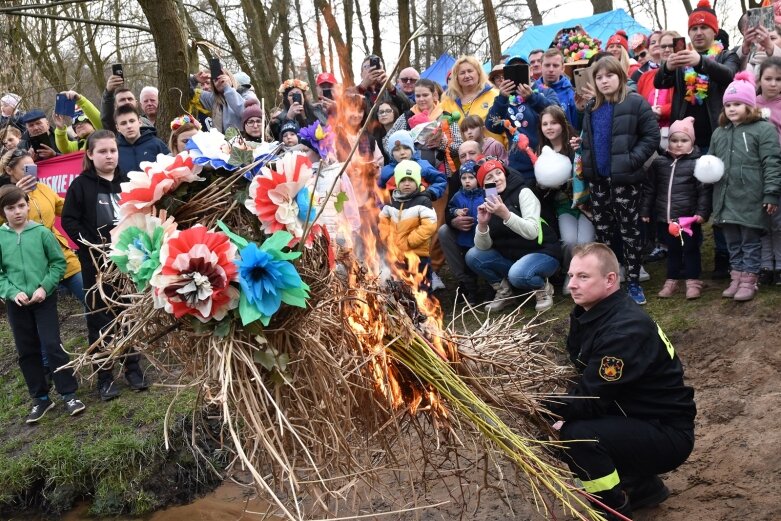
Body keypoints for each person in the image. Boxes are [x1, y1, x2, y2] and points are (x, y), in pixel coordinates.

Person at [550, 242, 696, 521]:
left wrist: (538, 406)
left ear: (610, 280)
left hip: (666, 433)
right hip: (636, 415)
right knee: (561, 426)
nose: (572, 285)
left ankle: (612, 511)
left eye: (583, 277)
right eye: (571, 276)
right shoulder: (591, 313)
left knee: (577, 436)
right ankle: (642, 487)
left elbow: (591, 397)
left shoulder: (624, 329)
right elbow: (586, 375)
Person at [654, 0, 740, 279]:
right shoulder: (682, 58)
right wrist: (667, 66)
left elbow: (729, 76)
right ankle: (688, 252)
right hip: (685, 143)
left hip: (717, 138)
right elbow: (658, 82)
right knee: (688, 196)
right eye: (694, 28)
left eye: (705, 27)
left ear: (715, 32)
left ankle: (724, 255)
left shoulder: (725, 55)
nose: (699, 33)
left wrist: (701, 62)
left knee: (719, 195)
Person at [61, 130, 149, 400]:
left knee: (129, 316)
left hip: (128, 264)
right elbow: (69, 221)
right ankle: (105, 376)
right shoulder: (81, 186)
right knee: (100, 321)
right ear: (90, 154)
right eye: (102, 151)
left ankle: (133, 368)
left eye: (112, 150)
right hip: (96, 267)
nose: (109, 155)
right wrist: (93, 245)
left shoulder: (128, 182)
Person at [0, 185, 86, 423]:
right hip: (16, 304)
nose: (17, 212)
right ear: (2, 211)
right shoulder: (0, 237)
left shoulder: (42, 233)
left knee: (52, 345)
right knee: (26, 351)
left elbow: (58, 264)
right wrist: (11, 292)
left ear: (28, 206)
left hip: (43, 299)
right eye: (10, 208)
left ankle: (69, 394)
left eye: (21, 206)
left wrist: (44, 287)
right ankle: (40, 399)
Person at [579, 56, 660, 305]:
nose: (604, 81)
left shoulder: (635, 102)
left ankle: (634, 282)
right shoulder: (591, 106)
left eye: (609, 76)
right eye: (599, 77)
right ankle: (610, 284)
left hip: (626, 180)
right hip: (599, 182)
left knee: (630, 231)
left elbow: (652, 136)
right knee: (604, 232)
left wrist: (631, 160)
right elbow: (588, 141)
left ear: (621, 76)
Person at [710, 71, 781, 301]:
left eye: (738, 104)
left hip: (751, 197)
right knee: (732, 241)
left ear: (750, 105)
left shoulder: (763, 129)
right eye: (728, 105)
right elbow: (711, 162)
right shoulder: (719, 133)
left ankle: (750, 280)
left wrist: (771, 193)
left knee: (749, 241)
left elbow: (772, 162)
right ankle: (736, 277)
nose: (731, 109)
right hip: (726, 197)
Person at [466, 159, 561, 312]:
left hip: (543, 252)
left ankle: (542, 288)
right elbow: (484, 247)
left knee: (518, 274)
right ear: (484, 186)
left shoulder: (524, 193)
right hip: (513, 258)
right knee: (473, 255)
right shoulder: (489, 202)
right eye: (489, 178)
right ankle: (505, 292)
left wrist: (505, 214)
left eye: (499, 173)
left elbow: (532, 232)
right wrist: (482, 224)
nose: (496, 179)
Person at [0, 148, 83, 302]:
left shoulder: (43, 188)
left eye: (33, 167)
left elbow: (64, 207)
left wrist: (86, 201)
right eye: (26, 169)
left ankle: (98, 325)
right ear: (9, 170)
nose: (31, 173)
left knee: (91, 297)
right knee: (42, 312)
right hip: (30, 263)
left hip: (61, 254)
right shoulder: (3, 195)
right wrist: (17, 194)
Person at [641, 117, 711, 299]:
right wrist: (646, 210)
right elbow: (651, 189)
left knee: (690, 249)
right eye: (674, 140)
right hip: (666, 219)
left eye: (684, 140)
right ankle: (671, 280)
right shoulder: (659, 163)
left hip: (687, 220)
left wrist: (702, 212)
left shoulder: (697, 163)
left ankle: (693, 281)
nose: (678, 144)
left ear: (692, 142)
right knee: (672, 250)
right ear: (668, 141)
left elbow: (703, 191)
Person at [537, 105, 594, 295]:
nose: (549, 127)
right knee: (569, 242)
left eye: (553, 122)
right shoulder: (542, 151)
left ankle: (588, 277)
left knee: (585, 242)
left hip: (585, 204)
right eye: (545, 124)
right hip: (563, 206)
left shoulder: (575, 144)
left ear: (562, 123)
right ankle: (571, 275)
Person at [486, 60, 559, 181]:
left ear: (529, 71)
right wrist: (503, 98)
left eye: (521, 69)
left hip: (550, 161)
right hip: (521, 169)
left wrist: (532, 97)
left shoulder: (545, 92)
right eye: (512, 70)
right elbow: (492, 125)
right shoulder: (503, 100)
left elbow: (558, 114)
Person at [378, 160, 437, 290]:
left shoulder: (423, 200)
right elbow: (383, 221)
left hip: (418, 253)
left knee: (422, 283)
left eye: (410, 180)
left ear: (417, 181)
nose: (407, 183)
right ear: (397, 182)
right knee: (402, 283)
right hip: (397, 253)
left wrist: (411, 240)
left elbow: (430, 225)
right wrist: (387, 237)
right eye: (403, 180)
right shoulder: (391, 202)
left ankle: (426, 307)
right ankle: (408, 307)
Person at [443, 160, 484, 304]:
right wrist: (457, 212)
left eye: (471, 178)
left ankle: (491, 290)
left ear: (478, 179)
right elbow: (450, 209)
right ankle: (471, 293)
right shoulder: (458, 196)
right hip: (465, 238)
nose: (467, 181)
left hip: (481, 236)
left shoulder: (483, 194)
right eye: (464, 178)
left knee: (481, 263)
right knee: (468, 267)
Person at [440, 55, 505, 145]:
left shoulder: (496, 95)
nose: (467, 75)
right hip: (462, 157)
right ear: (456, 78)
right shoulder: (447, 101)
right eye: (462, 73)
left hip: (494, 155)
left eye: (470, 71)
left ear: (478, 73)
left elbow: (507, 126)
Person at [757, 56, 781, 285]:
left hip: (778, 170)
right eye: (768, 78)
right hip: (757, 172)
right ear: (759, 79)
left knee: (779, 221)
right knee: (762, 221)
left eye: (779, 79)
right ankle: (765, 265)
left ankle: (780, 264)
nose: (773, 84)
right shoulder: (751, 104)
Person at [115, 105, 170, 173]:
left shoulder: (156, 144)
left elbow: (170, 168)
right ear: (118, 128)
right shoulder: (115, 150)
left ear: (140, 122)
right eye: (123, 123)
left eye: (132, 121)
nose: (129, 126)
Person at [533, 48, 579, 129]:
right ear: (541, 67)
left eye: (555, 65)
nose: (551, 69)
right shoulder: (531, 91)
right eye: (547, 65)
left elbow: (576, 125)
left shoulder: (571, 92)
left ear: (562, 68)